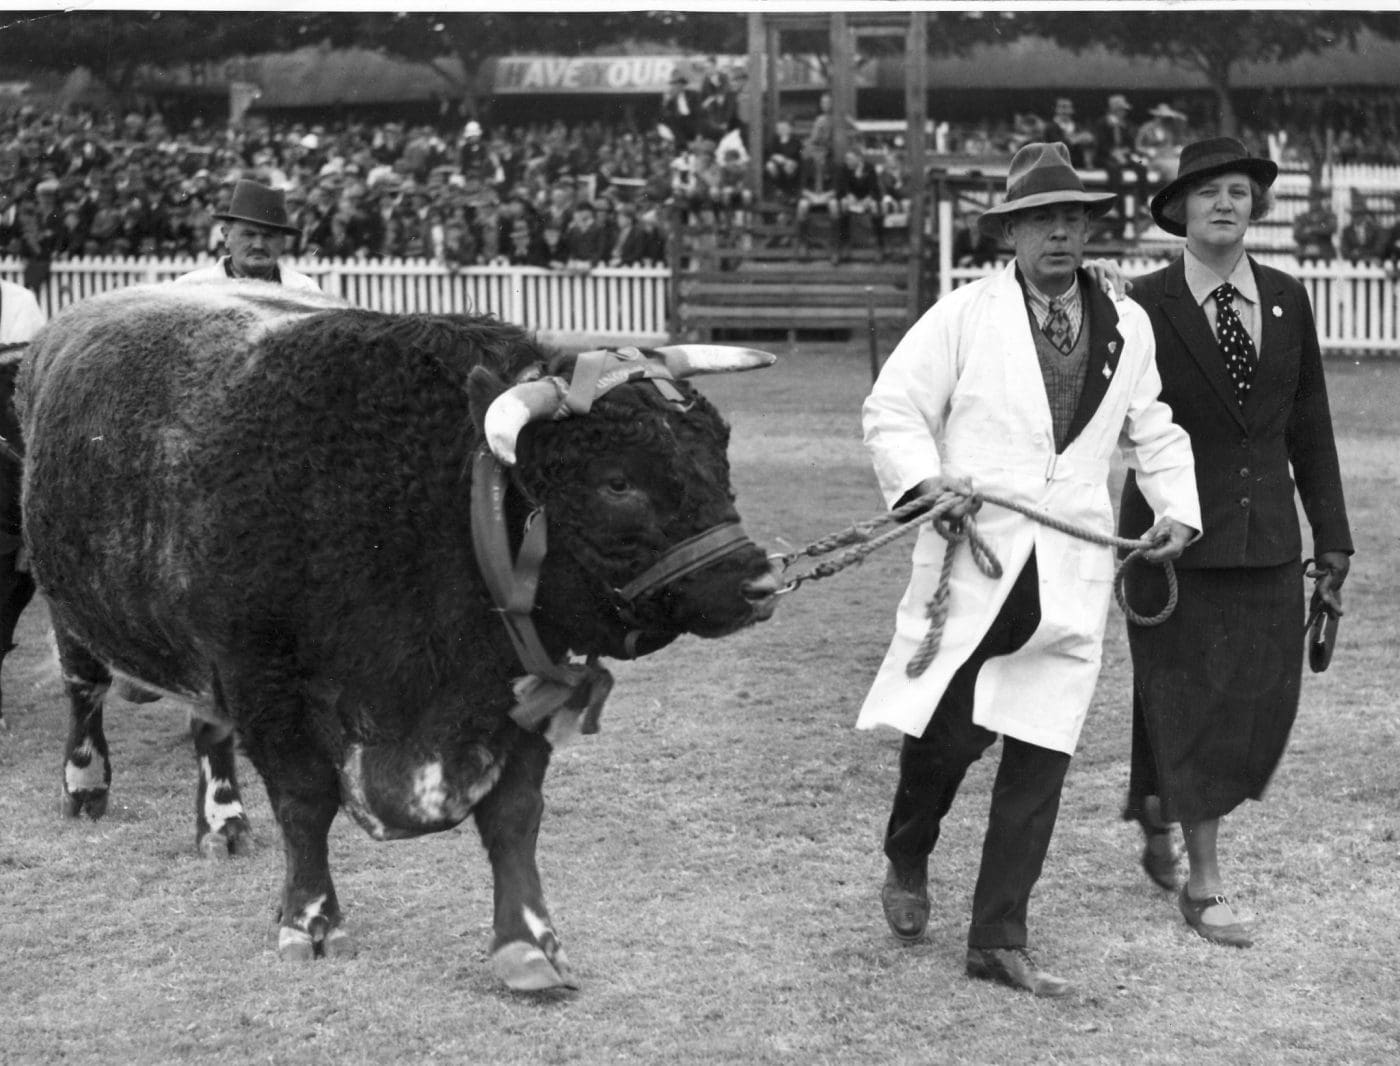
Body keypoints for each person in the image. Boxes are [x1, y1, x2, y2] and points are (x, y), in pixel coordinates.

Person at [860, 142, 1200, 998]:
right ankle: (909, 850)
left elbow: (1152, 427)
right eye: (1040, 220)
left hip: (1073, 562)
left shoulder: (1128, 326)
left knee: (1042, 748)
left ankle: (997, 937)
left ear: (1088, 230)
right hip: (980, 559)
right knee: (946, 737)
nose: (1059, 233)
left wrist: (1175, 510)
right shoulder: (962, 317)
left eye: (1072, 219)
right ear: (1009, 233)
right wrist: (923, 478)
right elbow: (893, 408)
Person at [1118, 137, 1353, 948]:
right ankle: (1206, 884)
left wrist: (1335, 541)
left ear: (1258, 209)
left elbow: (1310, 426)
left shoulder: (1288, 299)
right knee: (1196, 700)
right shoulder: (1140, 305)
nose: (1225, 203)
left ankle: (1157, 809)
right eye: (1208, 191)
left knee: (1254, 702)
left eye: (1241, 191)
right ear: (1179, 209)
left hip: (1269, 543)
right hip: (1169, 545)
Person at [175, 179, 320, 291]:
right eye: (249, 234)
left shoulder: (306, 290)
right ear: (226, 236)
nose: (258, 245)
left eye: (269, 236)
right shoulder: (192, 288)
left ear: (282, 241)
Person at [1292, 186, 1338, 262]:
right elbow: (1297, 234)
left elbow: (1331, 228)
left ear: (1321, 200)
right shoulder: (1301, 217)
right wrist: (1319, 231)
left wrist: (1311, 229)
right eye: (1311, 200)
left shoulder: (1329, 216)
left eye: (1316, 199)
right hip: (1304, 254)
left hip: (1325, 254)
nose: (1313, 202)